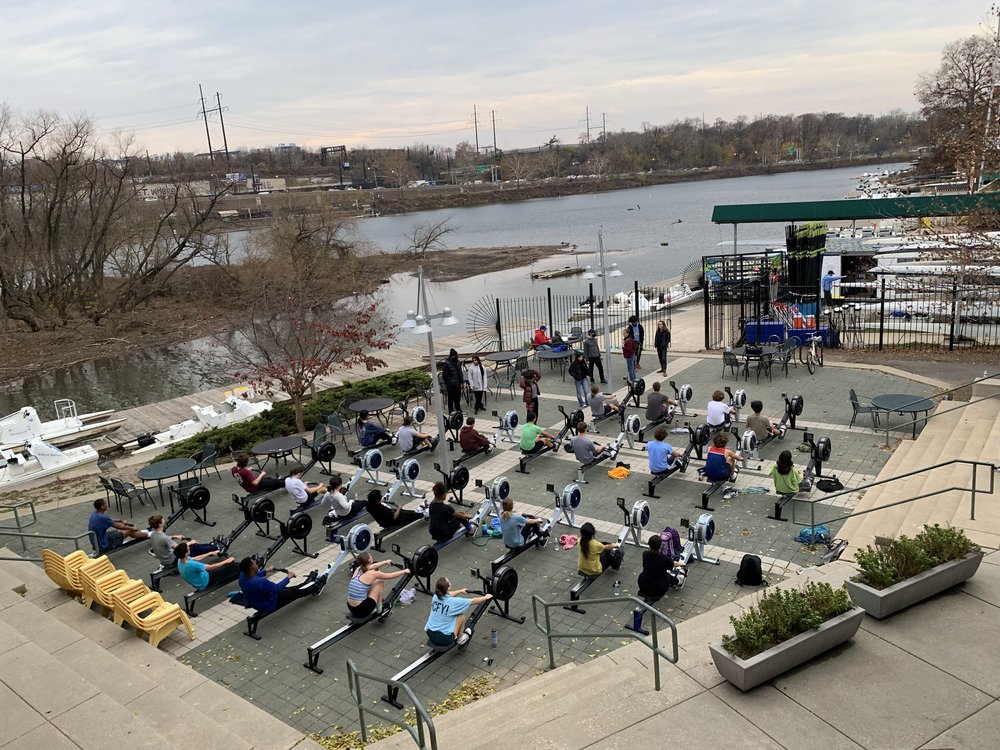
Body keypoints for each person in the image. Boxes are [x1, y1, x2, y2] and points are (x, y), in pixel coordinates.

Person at [238, 556, 329, 613]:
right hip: (268, 604)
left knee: (290, 589)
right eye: (253, 562)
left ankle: (306, 583)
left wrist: (266, 570)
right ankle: (314, 588)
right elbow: (276, 588)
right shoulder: (260, 582)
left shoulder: (242, 575)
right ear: (252, 567)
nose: (255, 563)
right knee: (292, 593)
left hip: (257, 602)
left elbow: (254, 576)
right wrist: (288, 577)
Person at [425, 576, 493, 647]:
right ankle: (460, 639)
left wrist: (460, 591)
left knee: (449, 615)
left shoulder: (436, 596)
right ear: (449, 587)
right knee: (461, 615)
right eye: (449, 582)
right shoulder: (454, 602)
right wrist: (485, 597)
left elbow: (449, 594)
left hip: (430, 633)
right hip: (445, 639)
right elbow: (473, 601)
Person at [347, 551, 410, 618]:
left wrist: (385, 562)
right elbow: (390, 575)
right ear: (369, 560)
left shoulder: (358, 569)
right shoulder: (373, 574)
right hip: (361, 609)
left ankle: (375, 605)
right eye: (370, 556)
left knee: (371, 583)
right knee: (379, 581)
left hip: (351, 607)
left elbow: (372, 566)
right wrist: (404, 571)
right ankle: (380, 610)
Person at [148, 514, 218, 567]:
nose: (164, 520)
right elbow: (179, 549)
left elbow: (163, 540)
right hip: (172, 560)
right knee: (194, 548)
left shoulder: (153, 534)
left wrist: (174, 536)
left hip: (164, 559)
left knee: (193, 546)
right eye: (163, 520)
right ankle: (215, 548)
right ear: (160, 524)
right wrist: (190, 542)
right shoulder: (164, 537)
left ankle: (210, 546)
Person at [442, 348, 464, 414]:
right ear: (451, 356)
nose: (456, 357)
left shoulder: (458, 362)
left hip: (458, 384)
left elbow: (460, 372)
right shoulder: (446, 364)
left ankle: (458, 410)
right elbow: (444, 376)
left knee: (457, 399)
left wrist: (461, 381)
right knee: (451, 400)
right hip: (451, 386)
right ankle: (451, 412)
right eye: (455, 356)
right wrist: (448, 386)